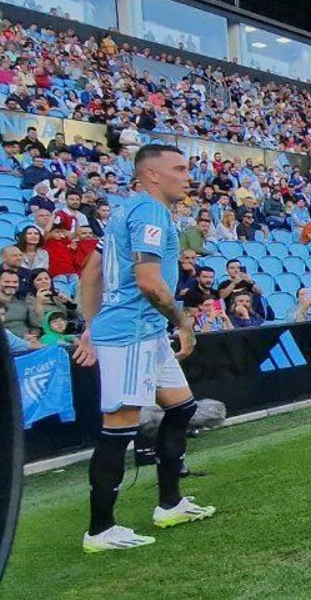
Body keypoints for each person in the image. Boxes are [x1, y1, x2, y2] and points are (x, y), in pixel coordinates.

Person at [73, 143, 215, 553]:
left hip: (143, 331)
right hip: (133, 331)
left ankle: (170, 504)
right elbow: (149, 282)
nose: (188, 176)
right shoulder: (150, 211)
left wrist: (90, 325)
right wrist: (183, 321)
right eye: (180, 168)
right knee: (118, 428)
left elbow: (92, 272)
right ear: (152, 175)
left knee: (182, 407)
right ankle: (100, 530)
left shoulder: (126, 210)